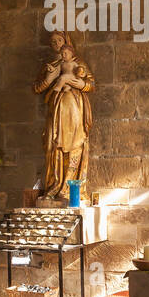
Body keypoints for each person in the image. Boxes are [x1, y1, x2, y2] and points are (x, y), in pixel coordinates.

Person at [33, 32, 94, 198]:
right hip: (55, 110)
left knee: (74, 144)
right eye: (52, 42)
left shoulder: (77, 63)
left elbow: (90, 83)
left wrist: (79, 83)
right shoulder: (51, 65)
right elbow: (37, 88)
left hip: (74, 107)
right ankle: (54, 186)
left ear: (67, 43)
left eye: (59, 40)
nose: (56, 44)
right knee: (52, 145)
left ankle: (70, 188)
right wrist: (49, 78)